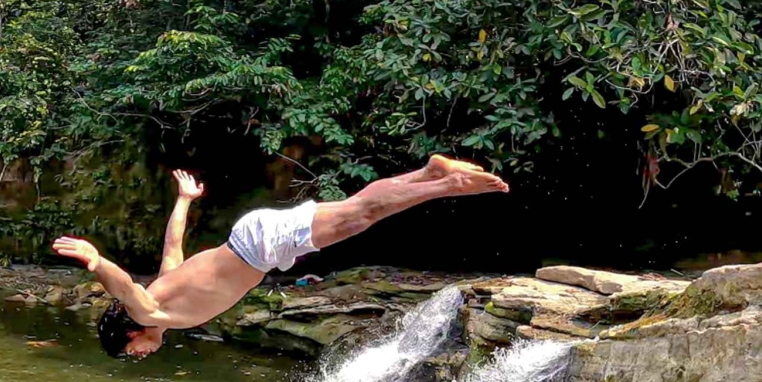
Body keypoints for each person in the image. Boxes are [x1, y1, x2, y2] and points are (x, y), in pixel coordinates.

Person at [53, 156, 507, 360]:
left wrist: (96, 262)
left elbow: (123, 287)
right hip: (256, 244)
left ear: (129, 331)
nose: (142, 354)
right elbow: (173, 248)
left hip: (259, 247)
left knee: (358, 216)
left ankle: (448, 187)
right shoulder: (164, 298)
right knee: (355, 209)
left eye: (132, 351)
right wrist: (185, 200)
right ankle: (429, 173)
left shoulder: (149, 308)